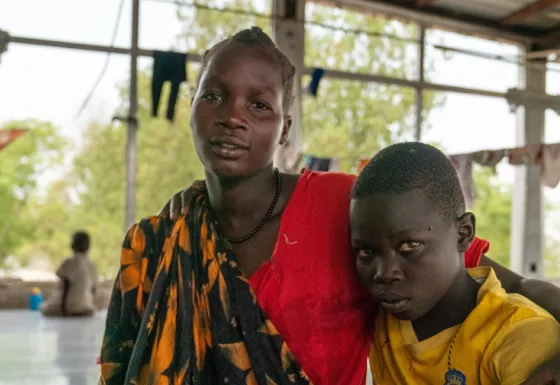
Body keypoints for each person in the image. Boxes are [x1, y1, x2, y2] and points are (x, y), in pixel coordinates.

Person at [101, 27, 560, 385]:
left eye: (259, 104)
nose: (232, 116)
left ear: (284, 129)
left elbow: (510, 284)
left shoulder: (345, 204)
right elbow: (130, 364)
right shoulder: (164, 239)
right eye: (214, 96)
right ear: (193, 106)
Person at [350, 142, 560, 384]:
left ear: (463, 233)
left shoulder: (519, 335)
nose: (384, 273)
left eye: (409, 246)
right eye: (367, 251)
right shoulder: (384, 321)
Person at [41, 231, 98, 317]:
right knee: (85, 305)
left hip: (69, 305)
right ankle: (83, 309)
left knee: (44, 308)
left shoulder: (69, 262)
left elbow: (65, 286)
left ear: (72, 245)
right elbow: (93, 289)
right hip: (86, 305)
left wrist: (63, 309)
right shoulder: (92, 264)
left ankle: (73, 310)